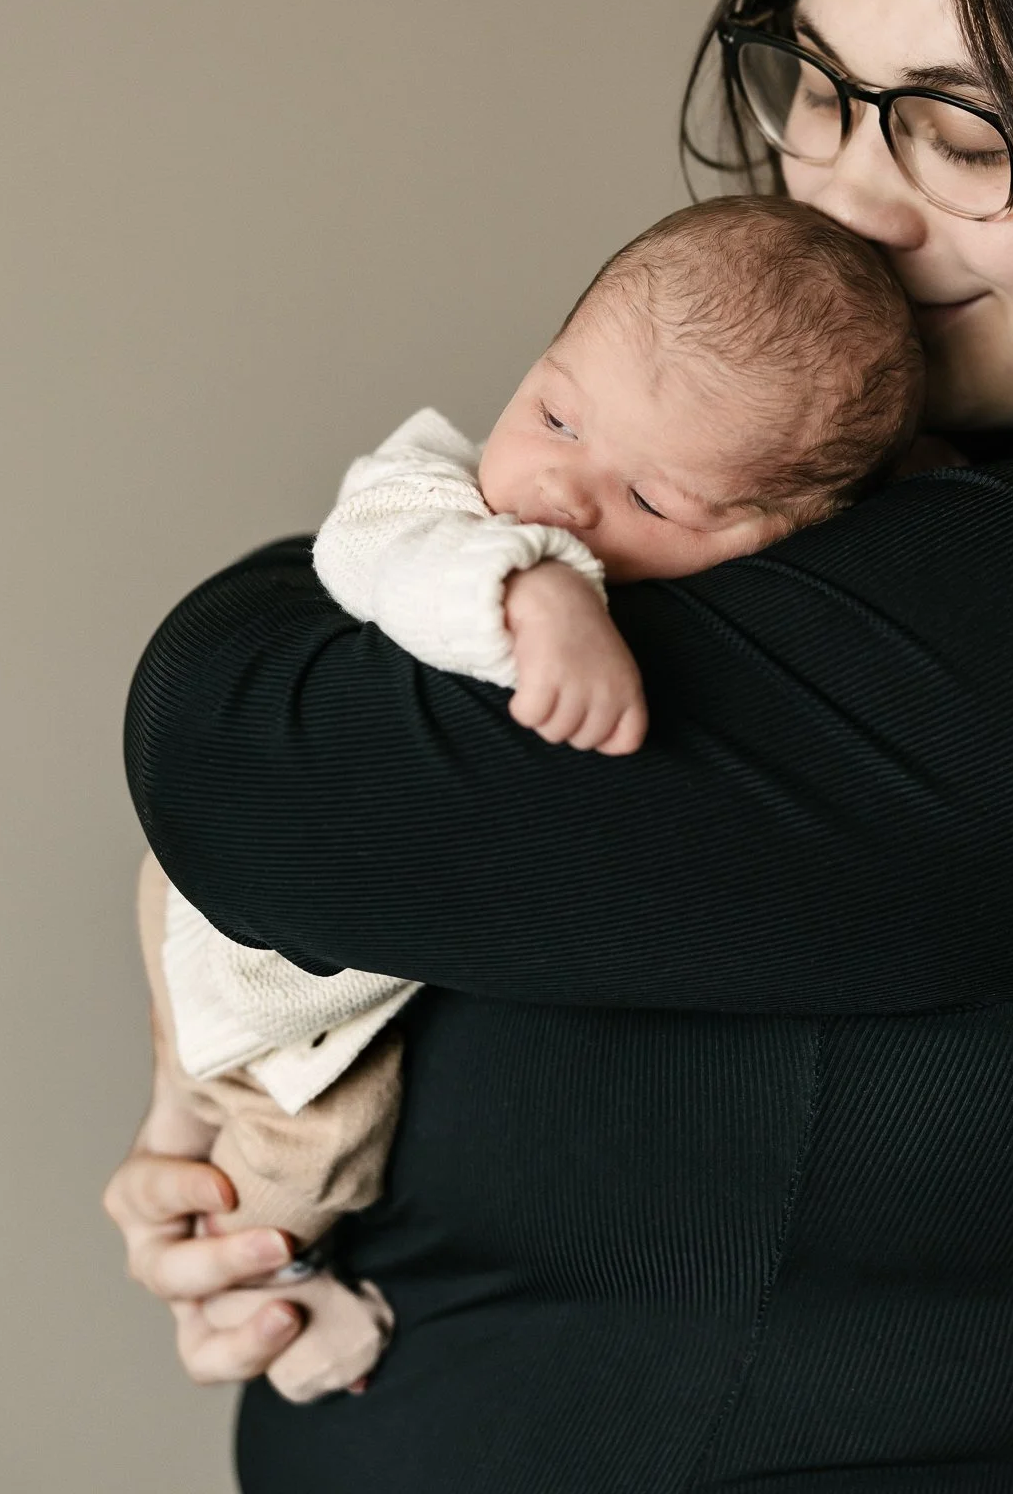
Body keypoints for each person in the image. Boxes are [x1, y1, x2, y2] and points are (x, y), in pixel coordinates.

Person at [104, 0, 1013, 1492]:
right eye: (817, 83)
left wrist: (429, 562)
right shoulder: (907, 524)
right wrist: (253, 1154)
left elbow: (234, 744)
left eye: (960, 126)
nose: (848, 199)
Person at [138, 196, 921, 1404]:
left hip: (264, 925)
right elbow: (372, 548)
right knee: (312, 1146)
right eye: (555, 413)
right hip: (267, 933)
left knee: (194, 1121)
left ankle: (181, 1186)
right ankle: (280, 1299)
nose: (559, 487)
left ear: (774, 544)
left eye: (651, 500)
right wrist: (534, 591)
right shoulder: (440, 497)